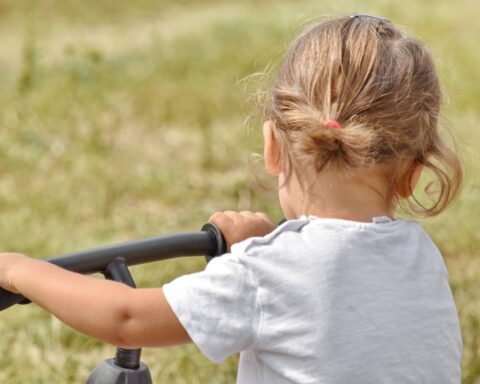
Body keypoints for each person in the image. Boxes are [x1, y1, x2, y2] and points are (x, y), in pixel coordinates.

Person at [0, 14, 463, 383]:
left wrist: (17, 269)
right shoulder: (421, 259)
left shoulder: (269, 274)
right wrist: (259, 251)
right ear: (414, 173)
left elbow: (126, 317)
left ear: (273, 147)